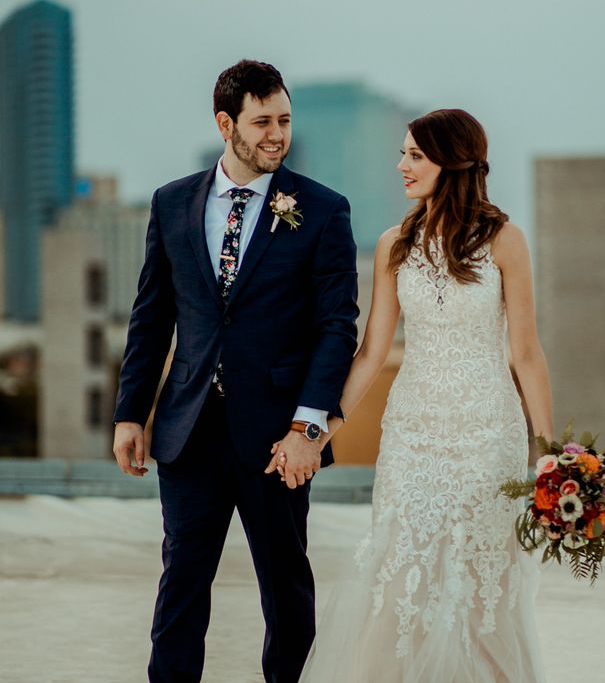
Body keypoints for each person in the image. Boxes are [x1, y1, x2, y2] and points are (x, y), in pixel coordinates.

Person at [111, 59, 358, 683]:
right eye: (263, 121)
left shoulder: (323, 210)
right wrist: (130, 413)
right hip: (188, 430)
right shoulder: (171, 203)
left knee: (285, 590)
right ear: (227, 124)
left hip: (278, 436)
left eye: (285, 120)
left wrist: (309, 428)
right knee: (182, 586)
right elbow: (151, 316)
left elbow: (337, 326)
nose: (278, 134)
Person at [287, 109, 553, 682]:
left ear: (453, 162)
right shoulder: (392, 245)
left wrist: (552, 453)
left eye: (415, 155)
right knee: (401, 569)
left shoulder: (506, 240)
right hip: (412, 432)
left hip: (487, 432)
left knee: (478, 582)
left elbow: (526, 352)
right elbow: (371, 353)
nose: (401, 165)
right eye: (403, 153)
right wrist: (316, 431)